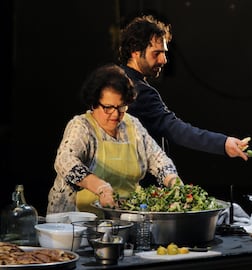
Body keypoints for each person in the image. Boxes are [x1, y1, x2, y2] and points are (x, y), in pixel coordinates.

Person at [117, 15, 248, 185]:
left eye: (164, 53)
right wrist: (223, 143)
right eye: (156, 53)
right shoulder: (140, 91)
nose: (164, 60)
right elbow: (177, 129)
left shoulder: (113, 80)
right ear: (135, 52)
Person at [47, 64, 181, 215]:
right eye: (108, 107)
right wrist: (101, 187)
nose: (116, 114)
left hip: (124, 220)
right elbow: (65, 161)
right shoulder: (82, 126)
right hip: (76, 223)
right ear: (94, 103)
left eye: (121, 107)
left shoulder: (133, 126)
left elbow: (158, 159)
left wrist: (174, 184)